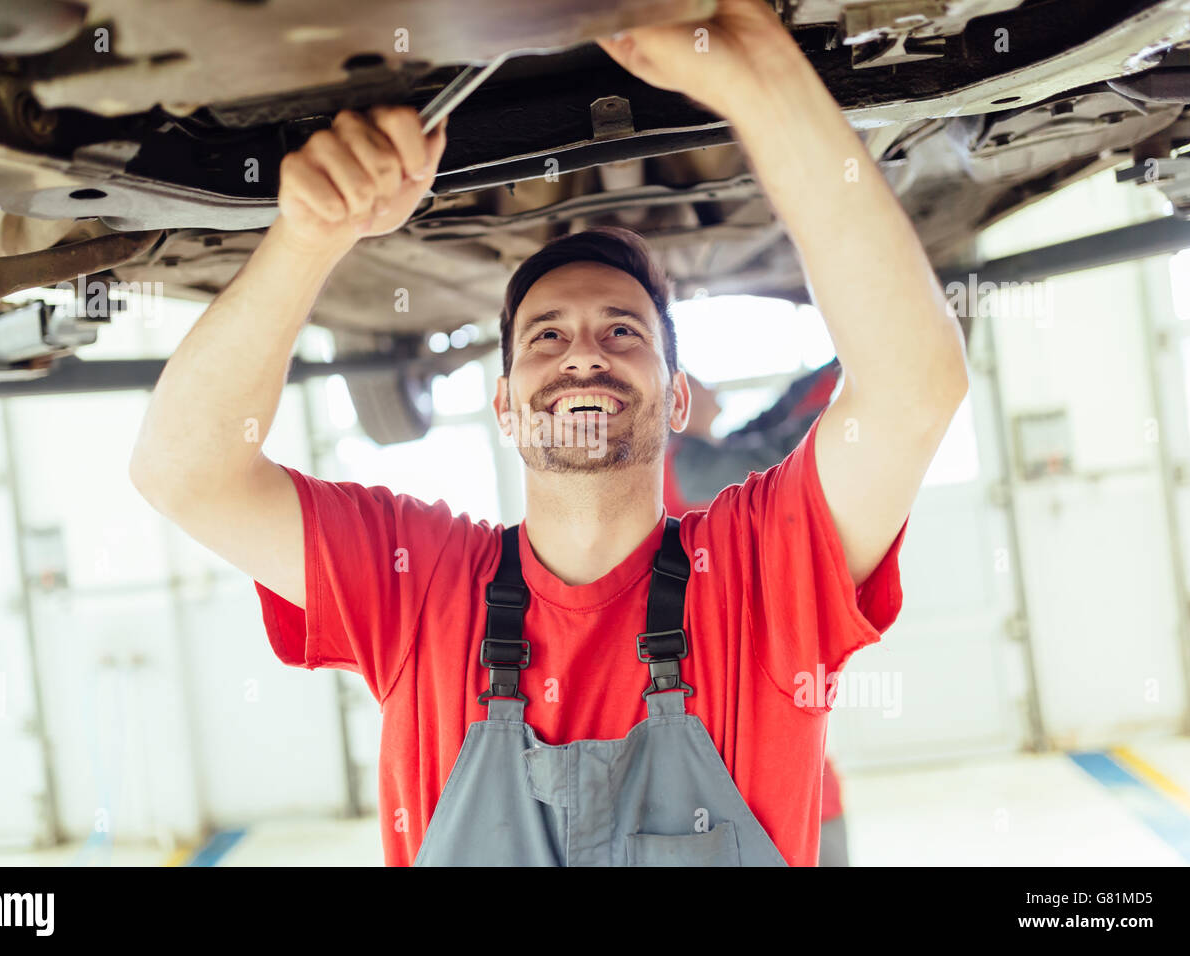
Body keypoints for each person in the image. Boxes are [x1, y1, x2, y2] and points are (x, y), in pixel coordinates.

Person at [129, 0, 969, 866]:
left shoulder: (759, 577)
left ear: (677, 400)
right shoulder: (419, 586)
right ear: (502, 405)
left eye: (622, 331)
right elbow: (184, 472)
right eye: (546, 336)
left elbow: (912, 390)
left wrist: (762, 81)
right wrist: (309, 237)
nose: (582, 357)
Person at [663, 362, 856, 865]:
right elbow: (783, 450)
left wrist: (833, 365)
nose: (719, 395)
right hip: (737, 670)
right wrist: (860, 385)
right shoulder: (684, 467)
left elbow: (767, 428)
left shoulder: (691, 459)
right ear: (675, 401)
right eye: (702, 383)